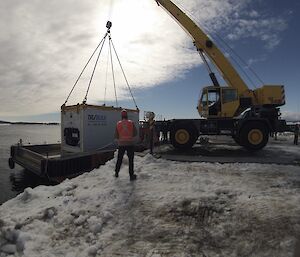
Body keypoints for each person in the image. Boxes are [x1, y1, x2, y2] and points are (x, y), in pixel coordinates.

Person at [114, 109, 138, 181]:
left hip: (121, 144)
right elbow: (135, 133)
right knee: (131, 160)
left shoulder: (118, 124)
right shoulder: (131, 123)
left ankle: (116, 173)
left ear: (121, 116)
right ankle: (131, 175)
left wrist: (121, 137)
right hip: (130, 144)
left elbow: (116, 135)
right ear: (127, 116)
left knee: (119, 159)